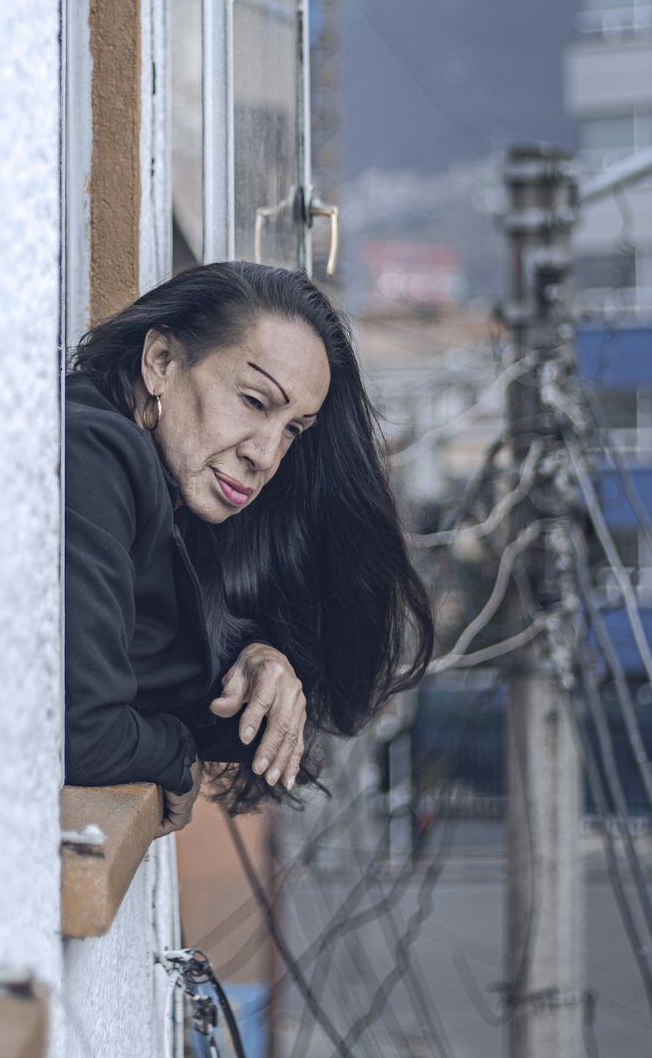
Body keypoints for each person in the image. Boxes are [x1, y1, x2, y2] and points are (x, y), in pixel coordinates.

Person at [65, 261, 433, 836]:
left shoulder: (165, 502)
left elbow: (151, 689)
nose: (265, 455)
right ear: (161, 362)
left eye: (293, 429)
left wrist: (261, 660)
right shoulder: (95, 451)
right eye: (256, 402)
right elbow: (83, 732)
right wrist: (176, 758)